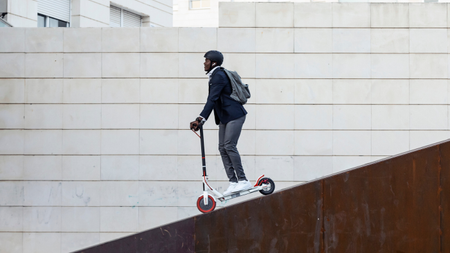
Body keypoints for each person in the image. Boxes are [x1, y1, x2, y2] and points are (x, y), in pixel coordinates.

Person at [190, 50, 251, 195]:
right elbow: (213, 100)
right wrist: (201, 120)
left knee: (229, 145)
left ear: (214, 62)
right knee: (222, 147)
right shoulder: (214, 76)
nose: (204, 63)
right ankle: (233, 182)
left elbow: (212, 99)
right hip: (225, 117)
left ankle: (243, 181)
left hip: (235, 115)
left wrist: (200, 119)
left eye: (206, 60)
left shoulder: (219, 76)